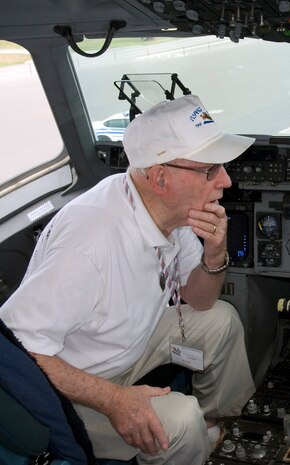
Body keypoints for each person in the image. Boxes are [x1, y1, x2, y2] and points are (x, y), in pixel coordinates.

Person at [0, 95, 256, 464]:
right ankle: (187, 441)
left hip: (123, 343)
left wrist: (215, 255)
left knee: (221, 320)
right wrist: (115, 400)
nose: (226, 182)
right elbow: (16, 347)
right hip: (70, 390)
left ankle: (213, 423)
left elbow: (198, 301)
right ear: (160, 177)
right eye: (210, 170)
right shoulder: (90, 246)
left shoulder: (169, 210)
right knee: (181, 421)